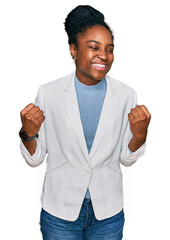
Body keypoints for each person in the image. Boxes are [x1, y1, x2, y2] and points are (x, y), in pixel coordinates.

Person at [19, 5, 151, 240]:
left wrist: (139, 137)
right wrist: (28, 134)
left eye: (109, 49)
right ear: (73, 50)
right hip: (60, 211)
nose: (104, 55)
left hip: (107, 213)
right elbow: (36, 158)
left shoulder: (126, 95)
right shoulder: (49, 93)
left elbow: (125, 158)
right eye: (93, 47)